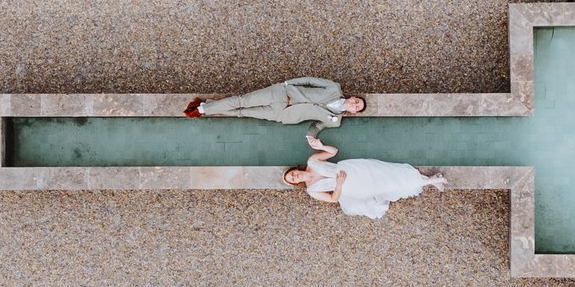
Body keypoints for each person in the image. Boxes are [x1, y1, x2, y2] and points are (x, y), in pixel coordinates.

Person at [283, 131, 445, 219]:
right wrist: (339, 184)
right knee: (386, 185)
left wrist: (321, 146)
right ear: (295, 183)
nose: (295, 176)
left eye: (293, 174)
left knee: (388, 173)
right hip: (351, 187)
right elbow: (333, 199)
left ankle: (431, 180)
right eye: (292, 179)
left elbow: (334, 152)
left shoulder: (312, 161)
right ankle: (431, 180)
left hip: (353, 168)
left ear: (295, 170)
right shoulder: (312, 191)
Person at [184, 76, 366, 127]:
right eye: (357, 101)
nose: (355, 104)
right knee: (242, 101)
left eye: (357, 108)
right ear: (352, 97)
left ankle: (204, 106)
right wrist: (287, 83)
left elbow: (316, 126)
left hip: (283, 115)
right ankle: (201, 109)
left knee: (242, 112)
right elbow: (310, 80)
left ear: (354, 113)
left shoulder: (335, 121)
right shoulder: (334, 88)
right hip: (282, 95)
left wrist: (313, 139)